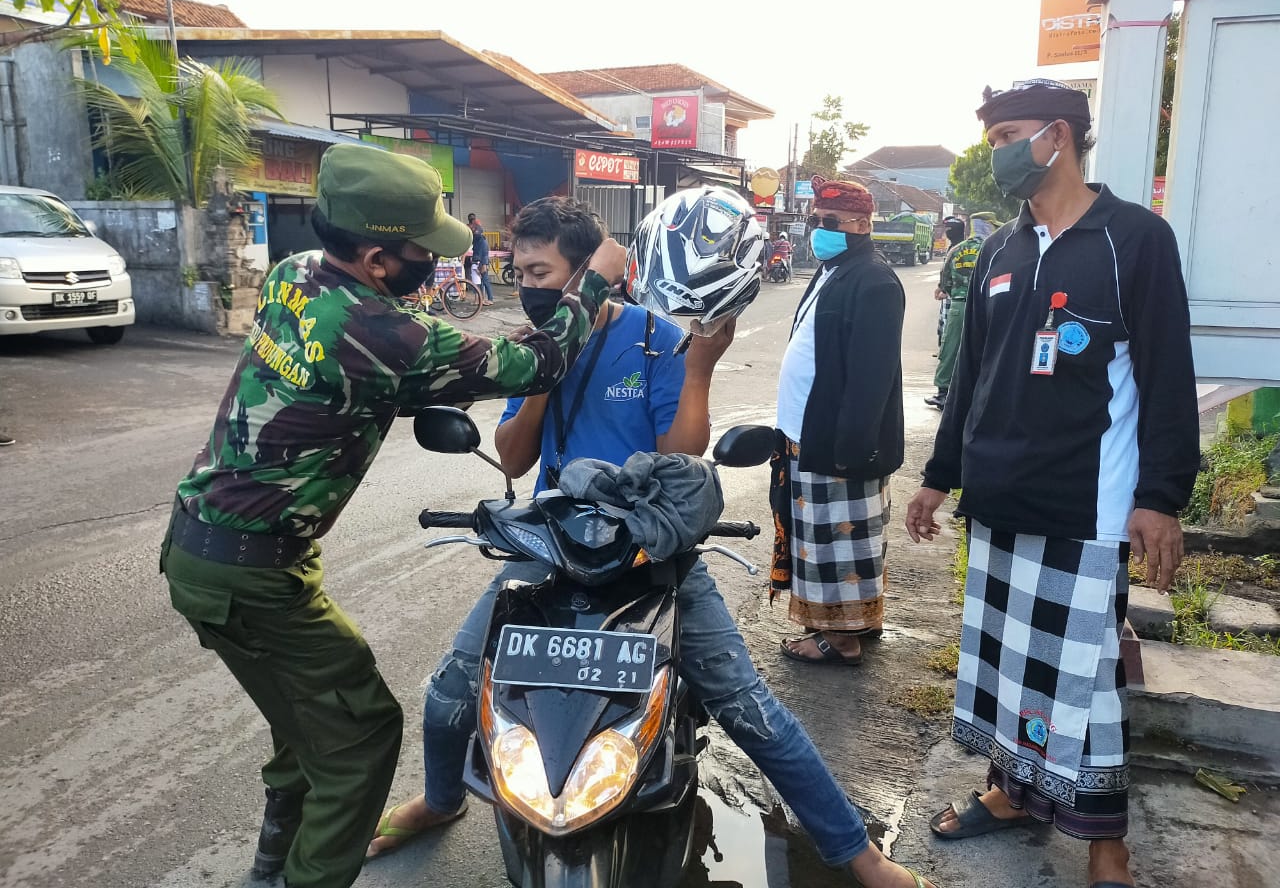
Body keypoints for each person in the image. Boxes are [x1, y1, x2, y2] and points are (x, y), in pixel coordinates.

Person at [367, 194, 936, 888]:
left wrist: (697, 371)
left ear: (585, 277)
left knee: (746, 705)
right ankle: (441, 798)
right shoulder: (527, 350)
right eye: (521, 274)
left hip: (651, 551)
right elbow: (514, 460)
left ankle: (860, 855)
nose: (530, 287)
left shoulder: (654, 341)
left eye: (543, 274)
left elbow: (683, 452)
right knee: (453, 691)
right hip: (552, 545)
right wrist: (547, 368)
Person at [159, 144, 624, 888]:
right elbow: (536, 364)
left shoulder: (293, 275)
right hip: (252, 573)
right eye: (421, 253)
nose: (432, 266)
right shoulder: (390, 335)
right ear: (376, 258)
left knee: (302, 726)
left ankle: (269, 871)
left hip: (203, 549)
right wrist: (593, 282)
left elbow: (381, 383)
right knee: (360, 736)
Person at [905, 80, 1199, 888]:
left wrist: (1161, 497)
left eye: (1008, 133)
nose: (996, 151)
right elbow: (972, 375)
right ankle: (1011, 794)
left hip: (1085, 503)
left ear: (1058, 137)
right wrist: (939, 478)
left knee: (1085, 680)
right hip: (998, 500)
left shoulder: (1133, 239)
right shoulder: (999, 248)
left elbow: (1169, 374)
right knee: (1008, 670)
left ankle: (1108, 844)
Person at [772, 176, 905, 667]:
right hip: (808, 435)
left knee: (839, 543)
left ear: (863, 223)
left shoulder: (873, 279)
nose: (818, 231)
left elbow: (872, 379)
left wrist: (851, 448)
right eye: (815, 222)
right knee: (824, 541)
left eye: (829, 222)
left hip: (838, 443)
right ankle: (850, 623)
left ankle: (840, 638)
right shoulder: (836, 269)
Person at [926, 213, 995, 410]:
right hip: (987, 306)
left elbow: (945, 279)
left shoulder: (957, 249)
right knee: (987, 347)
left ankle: (943, 392)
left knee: (951, 348)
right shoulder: (995, 248)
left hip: (958, 304)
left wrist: (952, 291)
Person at [934, 216, 966, 351]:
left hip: (955, 296)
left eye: (948, 229)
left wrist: (944, 290)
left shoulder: (959, 249)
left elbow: (952, 274)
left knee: (949, 327)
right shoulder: (954, 247)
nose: (946, 233)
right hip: (951, 294)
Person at [467, 212, 494, 305]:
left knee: (485, 280)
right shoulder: (478, 238)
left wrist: (483, 264)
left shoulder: (481, 239)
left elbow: (484, 253)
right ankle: (481, 299)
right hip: (478, 261)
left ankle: (490, 299)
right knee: (480, 282)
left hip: (481, 261)